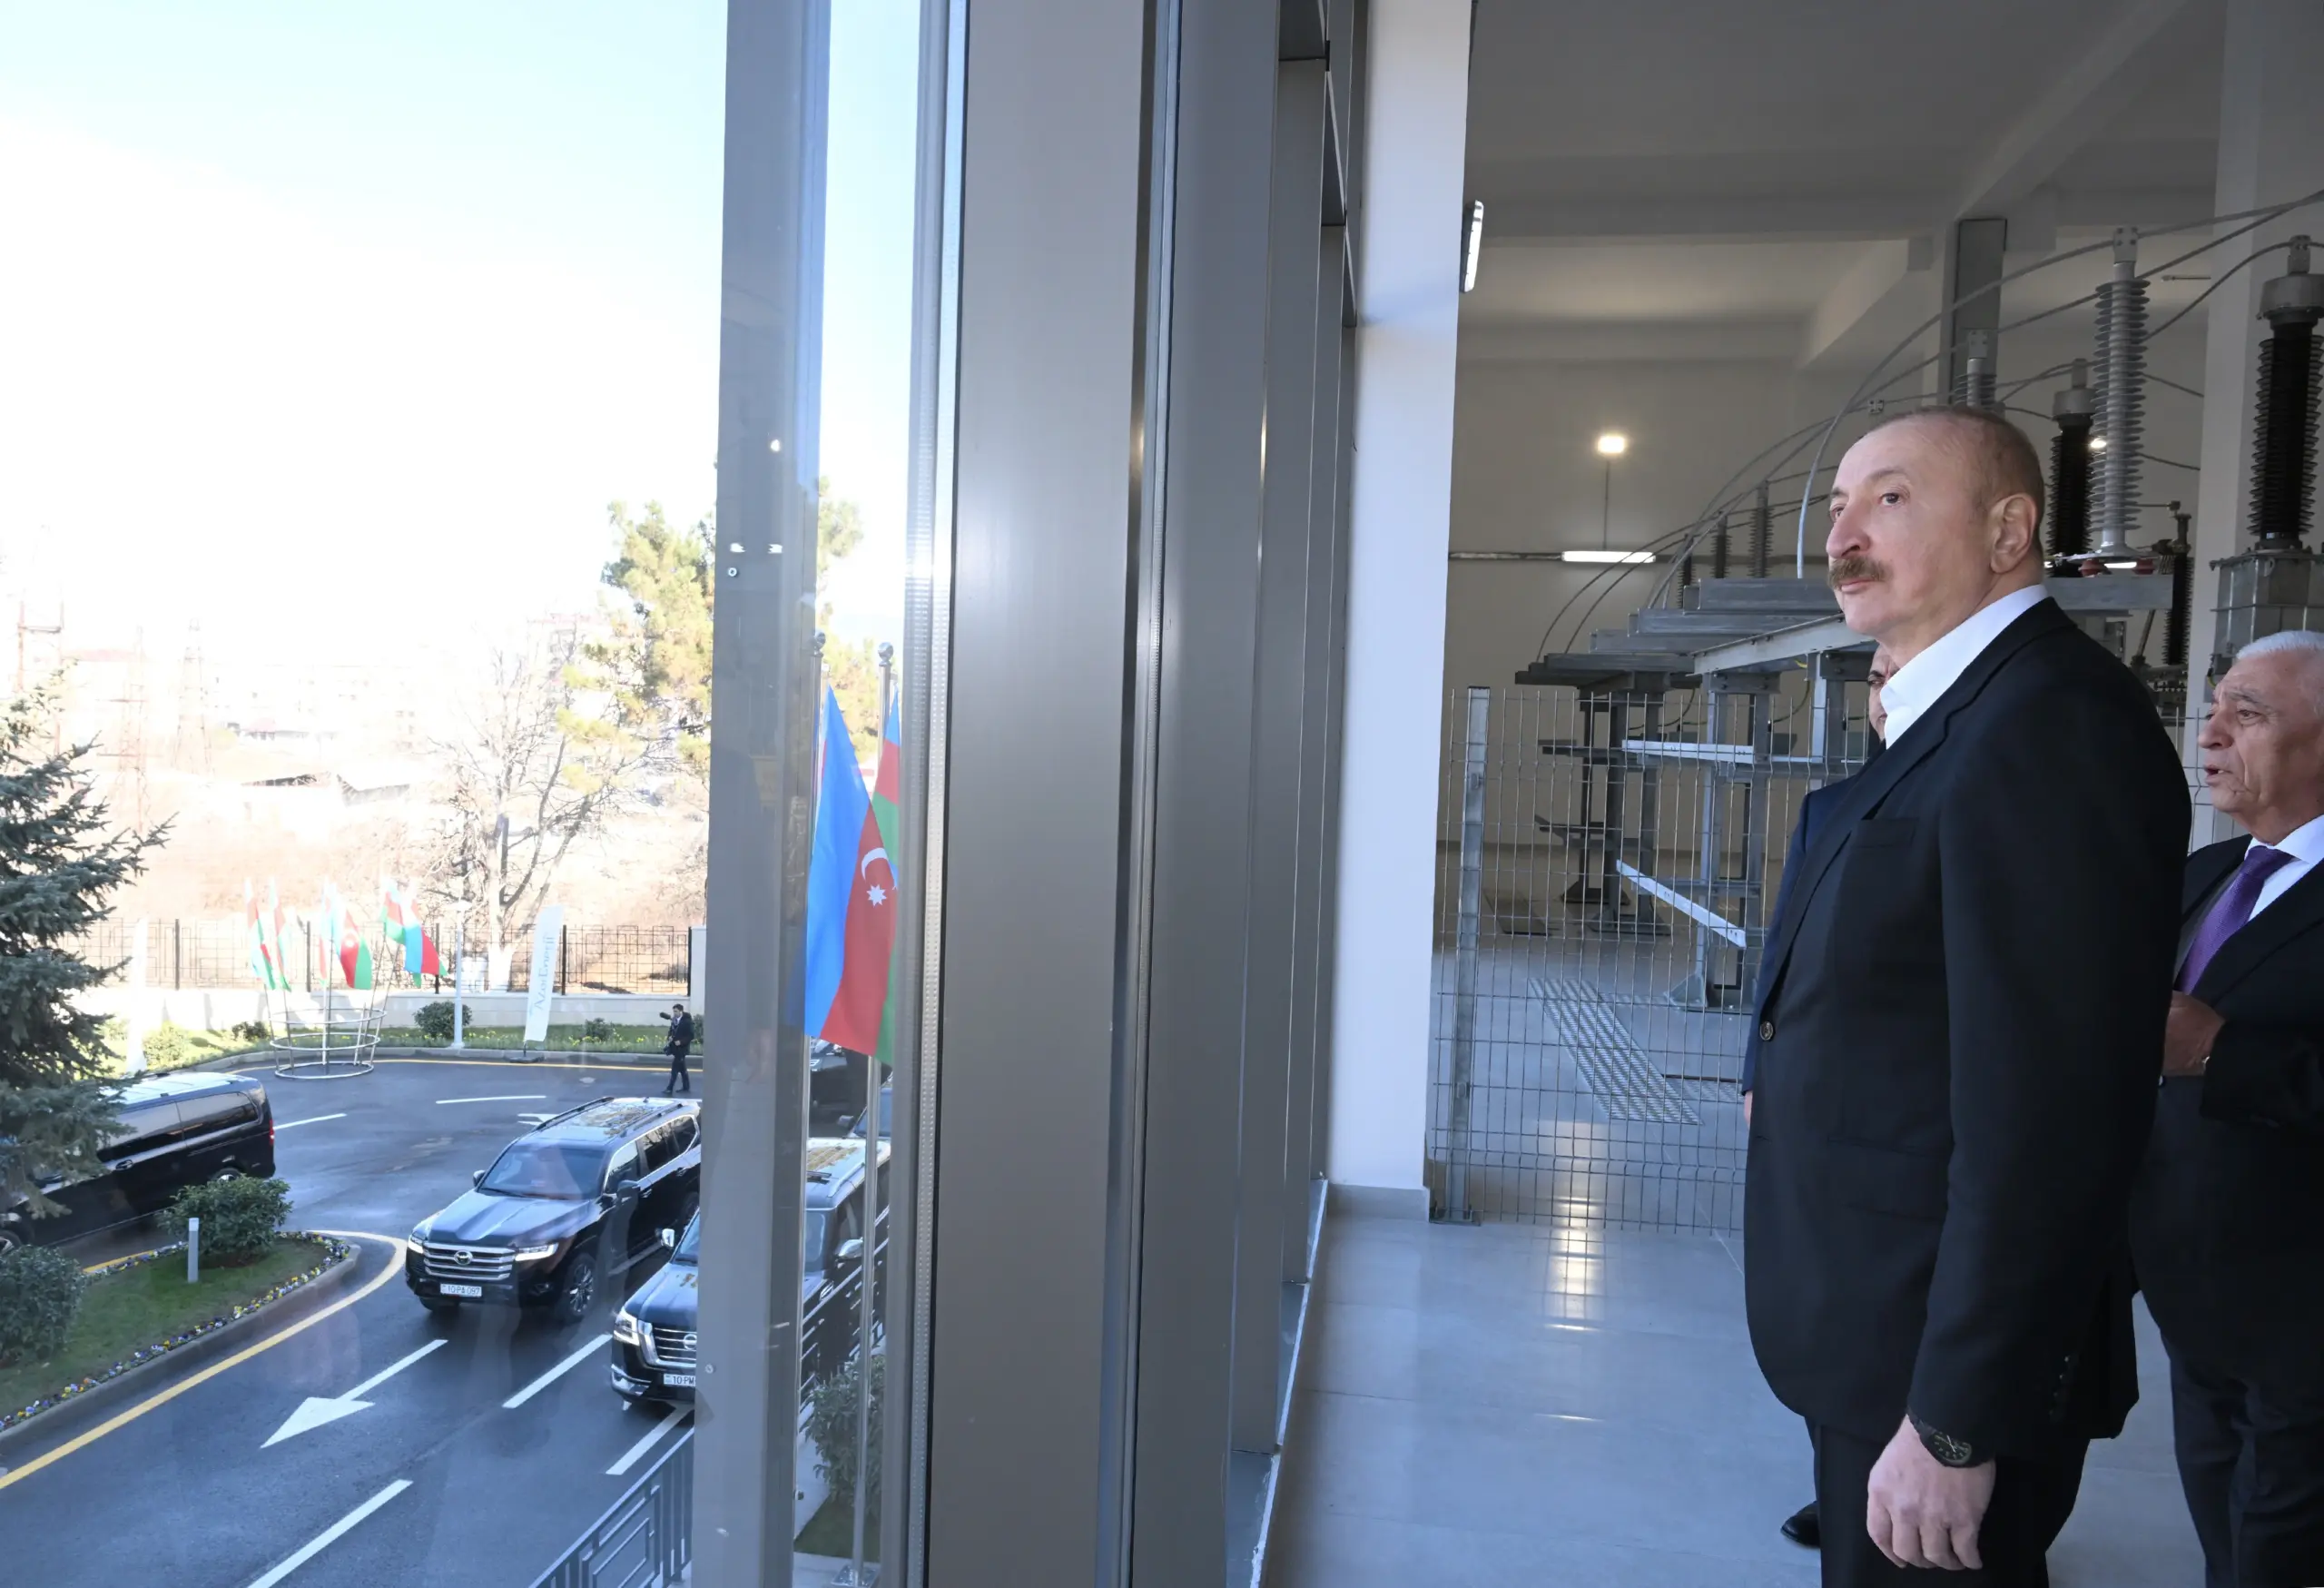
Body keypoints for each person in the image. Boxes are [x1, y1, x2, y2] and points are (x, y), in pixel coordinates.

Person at [1746, 406, 2188, 1586]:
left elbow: (2055, 1115)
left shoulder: (2051, 727)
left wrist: (1956, 1416)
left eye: (1889, 498)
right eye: (1838, 507)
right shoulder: (1969, 713)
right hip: (1880, 1330)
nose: (1843, 535)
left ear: (2008, 531)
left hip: (1933, 1366)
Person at [2128, 630, 2324, 1588]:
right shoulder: (2208, 874)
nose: (2208, 734)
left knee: (2269, 1553)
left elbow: (2207, 1047)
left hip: (2302, 1314)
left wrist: (2220, 1051)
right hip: (2194, 1296)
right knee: (2222, 1530)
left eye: (2246, 715)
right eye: (2211, 712)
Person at [1746, 643, 1894, 1552]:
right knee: (1823, 1307)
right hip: (1813, 1107)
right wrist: (1756, 1072)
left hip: (1898, 1120)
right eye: (1874, 681)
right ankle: (1839, 1484)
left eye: (1900, 674)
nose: (1884, 696)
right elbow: (1782, 955)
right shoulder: (1829, 810)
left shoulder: (1984, 801)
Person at [662, 1002, 695, 1096]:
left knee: (675, 1069)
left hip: (682, 1049)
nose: (675, 1013)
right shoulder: (674, 1020)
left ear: (681, 1011)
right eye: (674, 1011)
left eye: (676, 1011)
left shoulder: (687, 1022)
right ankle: (686, 1087)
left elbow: (691, 1035)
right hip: (675, 1048)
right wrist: (669, 1037)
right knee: (682, 1069)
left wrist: (681, 1042)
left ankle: (669, 1088)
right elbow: (671, 1031)